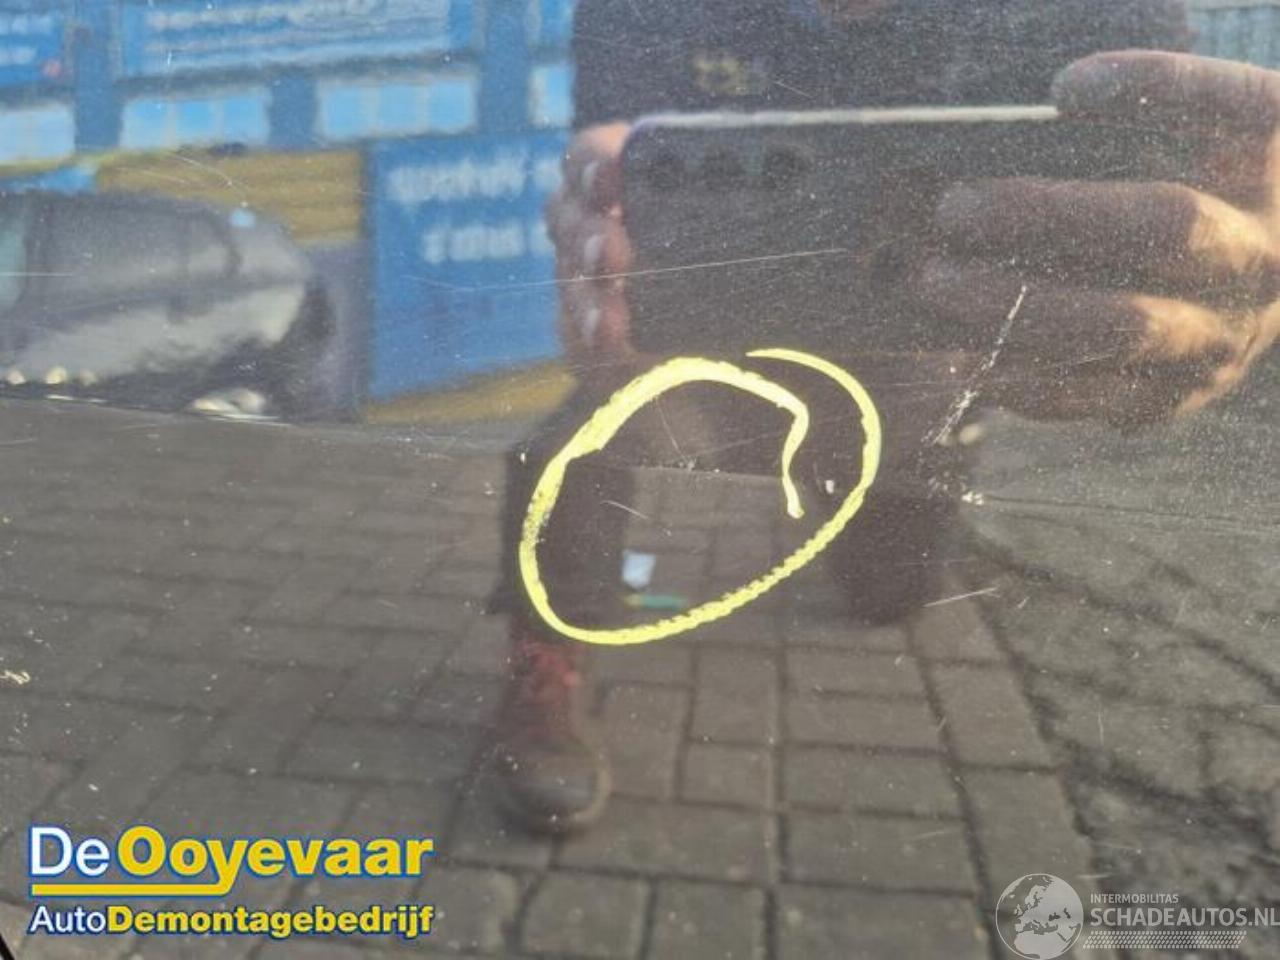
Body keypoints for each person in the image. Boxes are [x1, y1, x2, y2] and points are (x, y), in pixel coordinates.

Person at [489, 0, 1280, 833]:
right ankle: (547, 652)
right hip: (712, 329)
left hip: (914, 342)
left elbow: (1197, 162)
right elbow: (613, 154)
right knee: (568, 454)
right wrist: (601, 245)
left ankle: (837, 476)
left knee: (887, 593)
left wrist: (1250, 240)